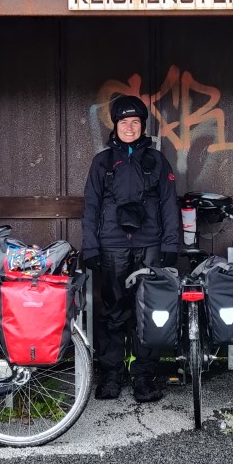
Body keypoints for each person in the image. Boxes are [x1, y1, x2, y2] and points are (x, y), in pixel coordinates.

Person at [81, 93, 180, 402]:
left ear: (141, 126)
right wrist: (91, 248)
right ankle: (111, 374)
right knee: (113, 312)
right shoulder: (103, 162)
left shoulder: (157, 160)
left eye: (135, 122)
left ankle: (144, 376)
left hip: (149, 246)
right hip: (112, 247)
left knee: (147, 313)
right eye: (124, 122)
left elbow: (168, 205)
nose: (130, 127)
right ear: (116, 125)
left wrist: (170, 245)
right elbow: (91, 207)